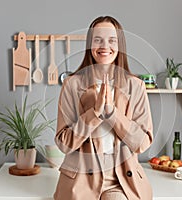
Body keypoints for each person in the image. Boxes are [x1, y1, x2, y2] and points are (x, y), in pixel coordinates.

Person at [54, 16, 153, 200]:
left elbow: (142, 143)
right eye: (97, 39)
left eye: (111, 40)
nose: (104, 46)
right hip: (80, 180)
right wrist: (94, 114)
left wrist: (112, 114)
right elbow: (63, 143)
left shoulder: (136, 86)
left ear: (120, 45)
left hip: (121, 180)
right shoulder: (72, 85)